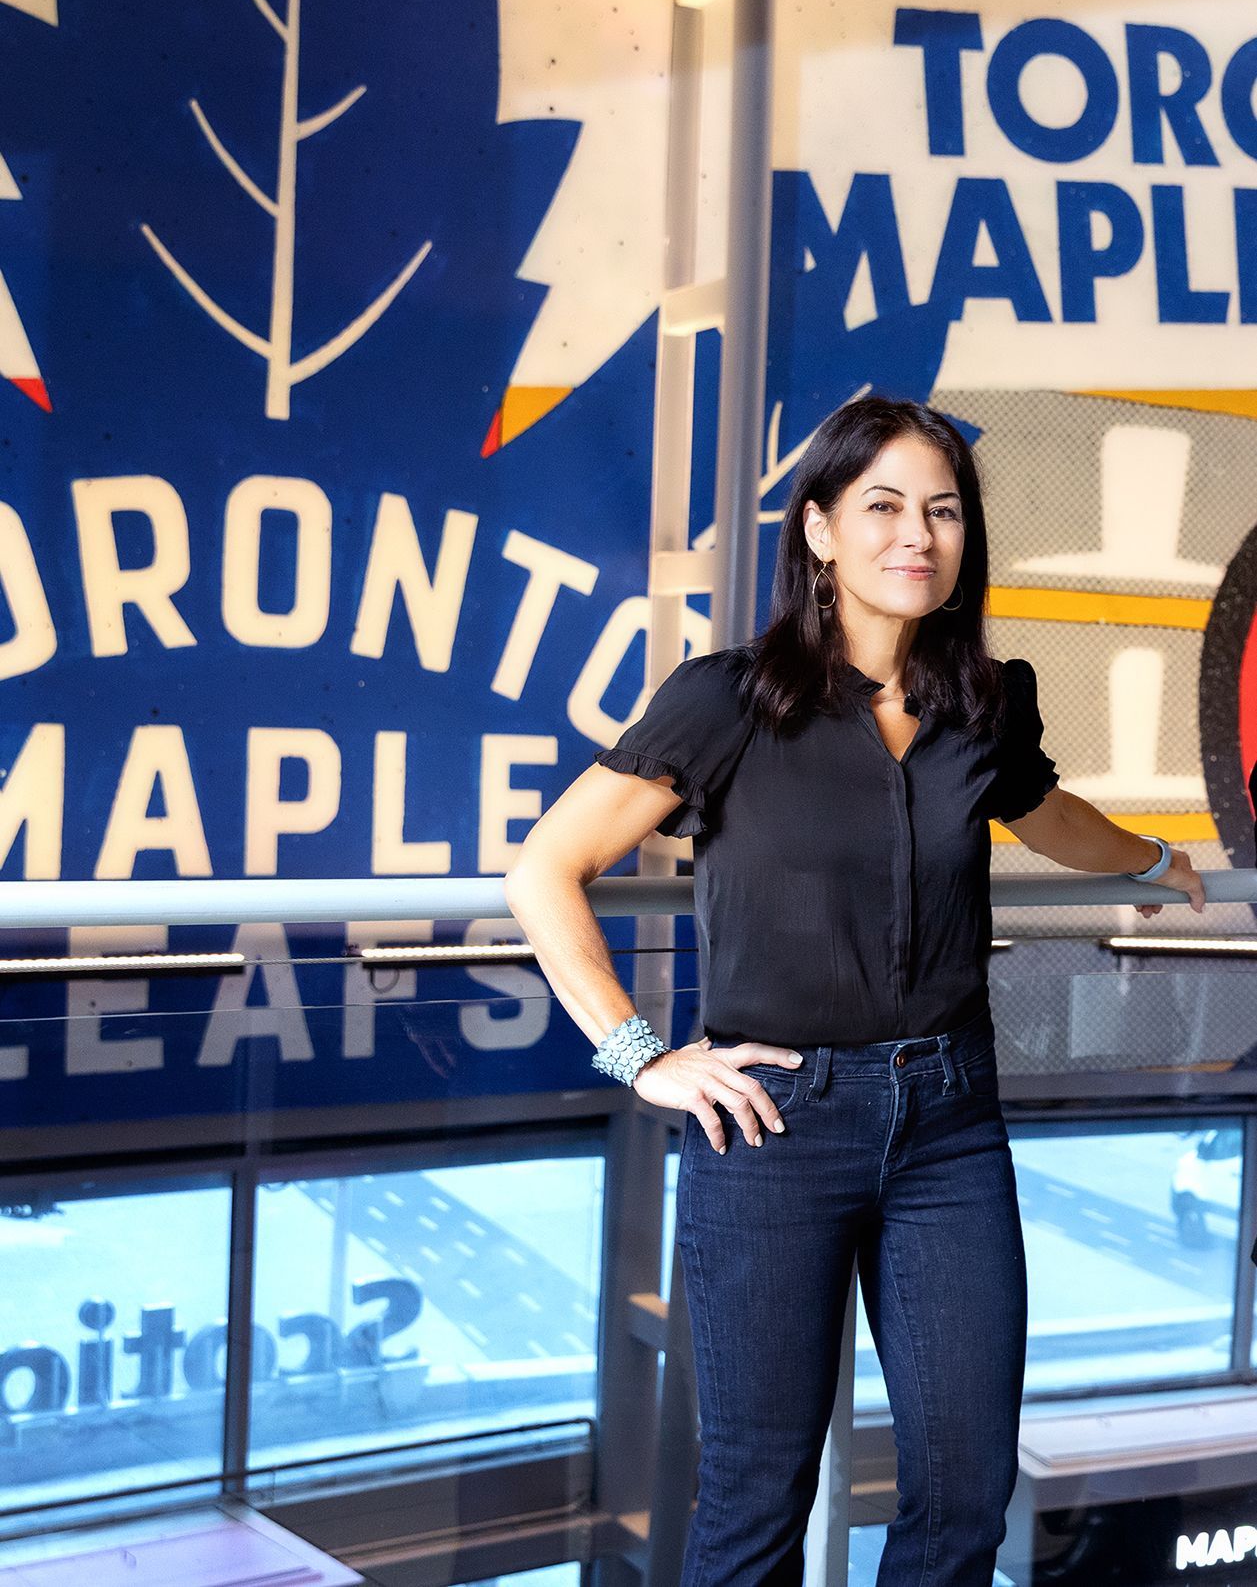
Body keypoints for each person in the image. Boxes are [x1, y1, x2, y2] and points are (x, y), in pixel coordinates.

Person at [503, 396, 1206, 1586]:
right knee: (752, 1505)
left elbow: (1044, 814)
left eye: (941, 511)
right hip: (771, 1124)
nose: (916, 535)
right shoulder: (727, 700)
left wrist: (1151, 859)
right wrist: (642, 1056)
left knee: (962, 1497)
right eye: (882, 506)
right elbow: (545, 869)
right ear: (820, 530)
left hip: (949, 1124)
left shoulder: (986, 699)